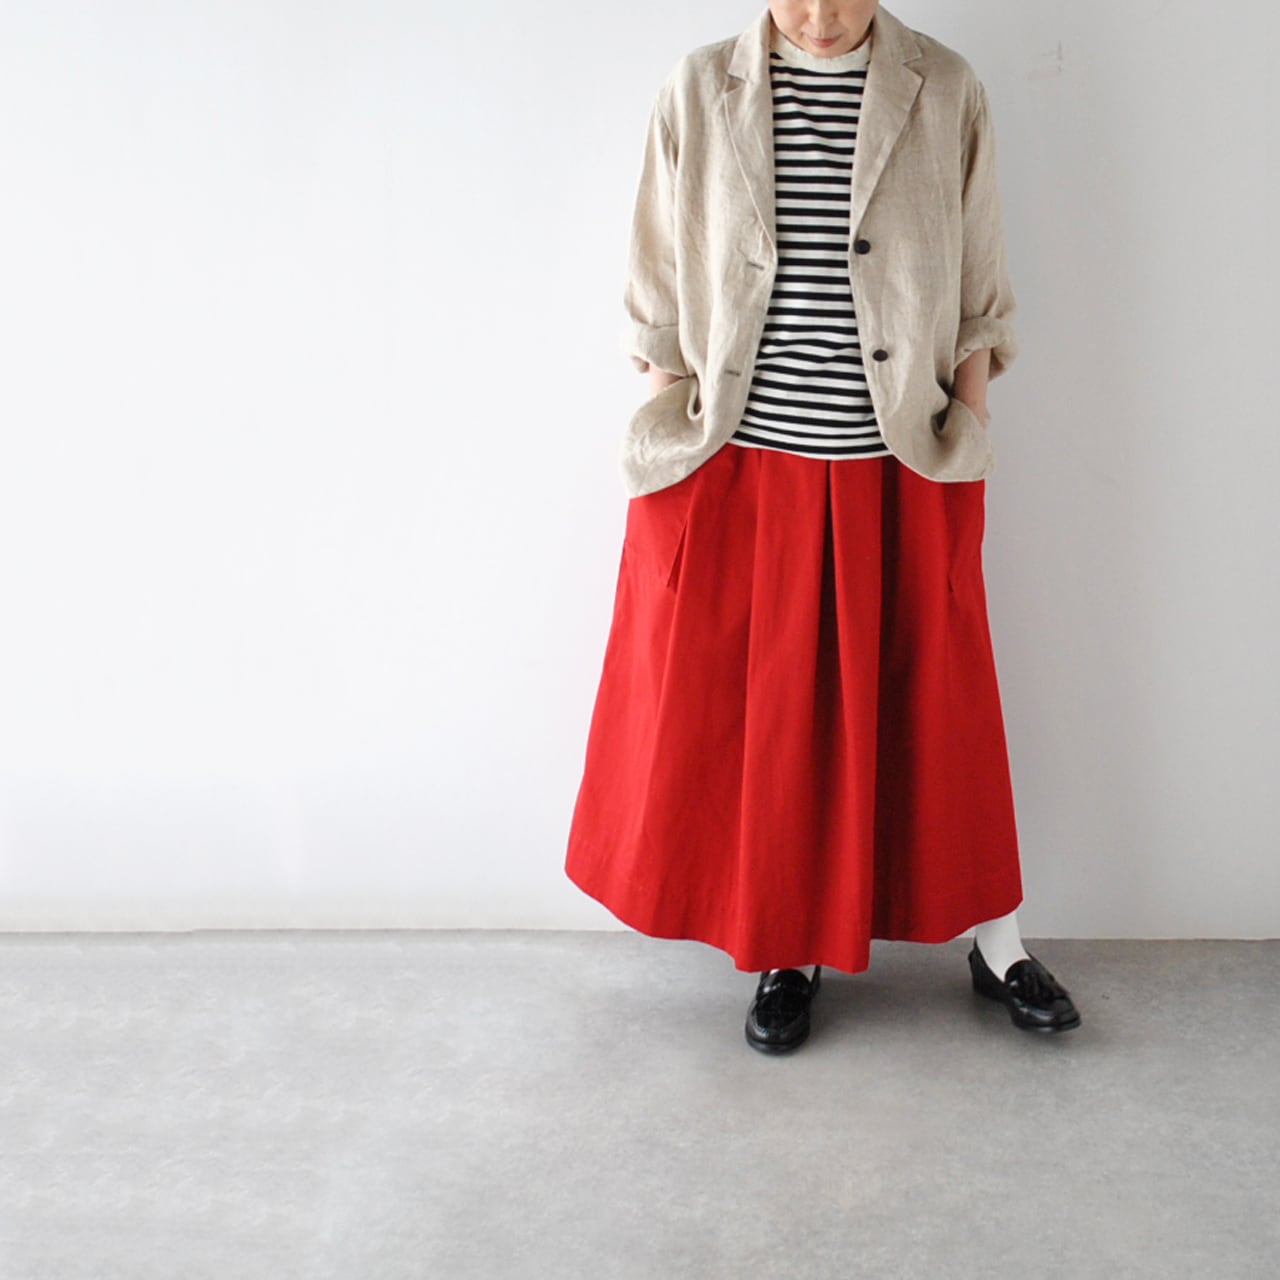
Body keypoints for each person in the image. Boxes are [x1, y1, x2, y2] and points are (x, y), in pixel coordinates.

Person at [564, 1, 1081, 1053]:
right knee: (773, 725)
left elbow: (981, 291)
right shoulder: (698, 88)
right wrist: (677, 425)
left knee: (941, 711)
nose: (819, 15)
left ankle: (997, 942)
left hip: (903, 463)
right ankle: (788, 946)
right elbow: (654, 292)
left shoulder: (945, 87)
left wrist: (969, 427)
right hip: (738, 467)